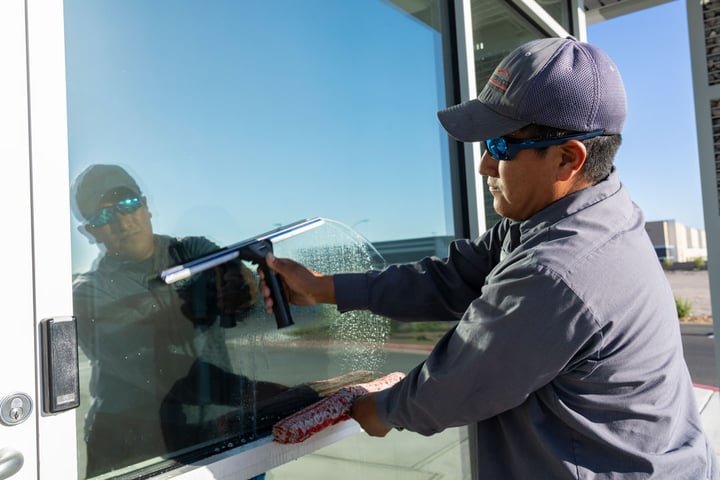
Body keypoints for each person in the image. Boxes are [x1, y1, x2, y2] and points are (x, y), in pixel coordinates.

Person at [260, 37, 720, 479]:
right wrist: (323, 288)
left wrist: (378, 408)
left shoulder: (561, 269)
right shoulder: (574, 214)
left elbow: (458, 384)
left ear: (567, 159)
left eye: (500, 146)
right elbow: (450, 279)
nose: (482, 165)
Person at [71, 164, 318, 478]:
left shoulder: (194, 251)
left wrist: (243, 286)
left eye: (128, 203)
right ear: (91, 232)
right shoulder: (89, 295)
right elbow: (163, 371)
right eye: (103, 216)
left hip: (225, 432)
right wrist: (262, 395)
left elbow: (236, 279)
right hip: (138, 448)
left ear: (145, 206)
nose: (121, 220)